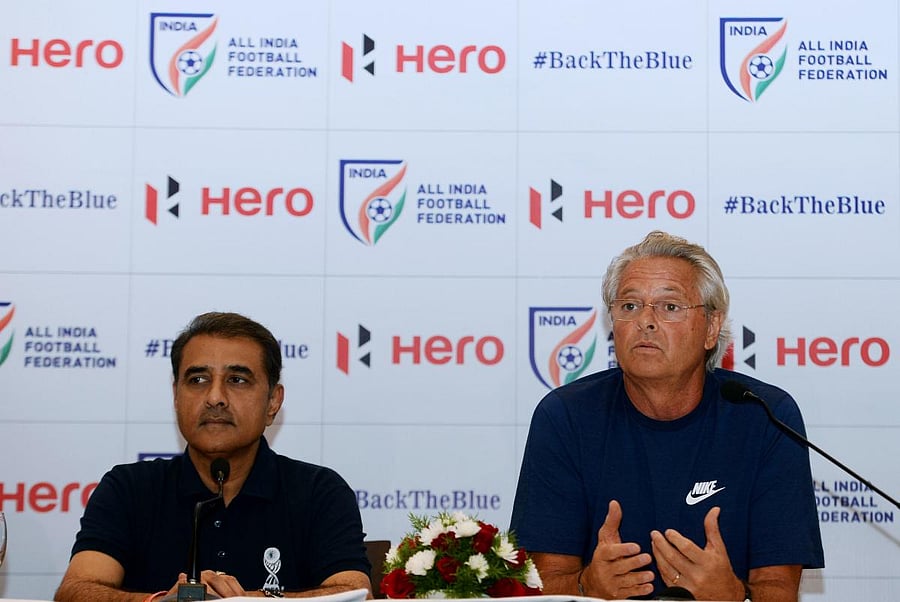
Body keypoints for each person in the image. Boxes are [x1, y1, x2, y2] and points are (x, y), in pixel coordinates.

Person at [510, 231, 824, 601]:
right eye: (629, 306)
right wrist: (586, 587)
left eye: (670, 307)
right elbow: (538, 586)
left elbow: (779, 590)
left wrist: (733, 597)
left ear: (710, 327)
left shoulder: (764, 416)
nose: (646, 321)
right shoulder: (565, 415)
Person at [56, 312, 371, 601]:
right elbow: (75, 591)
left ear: (273, 402)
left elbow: (356, 592)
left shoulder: (319, 491)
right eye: (197, 380)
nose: (215, 397)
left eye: (237, 380)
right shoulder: (129, 488)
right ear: (177, 396)